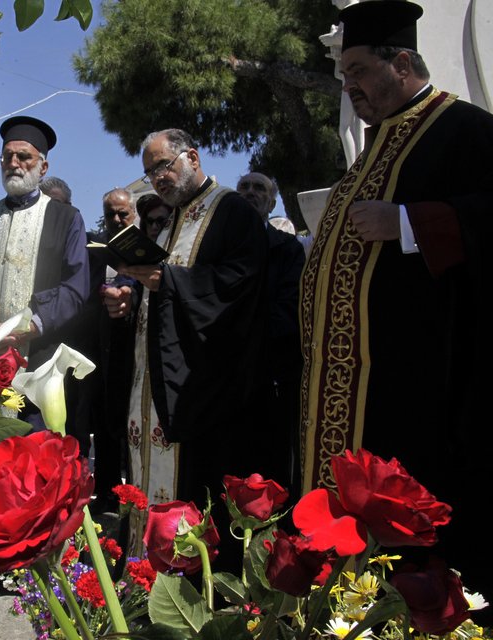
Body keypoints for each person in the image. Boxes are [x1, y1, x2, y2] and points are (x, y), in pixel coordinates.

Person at [300, 0, 493, 598]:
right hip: (343, 393)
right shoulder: (373, 148)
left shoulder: (467, 130)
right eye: (344, 74)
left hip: (421, 390)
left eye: (357, 70)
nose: (348, 85)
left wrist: (411, 222)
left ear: (402, 61)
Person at [105, 129, 269, 542]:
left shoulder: (231, 211)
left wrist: (171, 281)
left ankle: (178, 582)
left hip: (199, 390)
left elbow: (239, 286)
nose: (158, 178)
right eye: (149, 172)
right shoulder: (167, 219)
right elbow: (157, 287)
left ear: (192, 157)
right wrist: (128, 299)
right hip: (151, 383)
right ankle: (141, 575)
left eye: (163, 166)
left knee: (191, 493)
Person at [0, 115, 89, 373]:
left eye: (23, 157)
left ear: (43, 167)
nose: (13, 163)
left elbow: (75, 288)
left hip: (37, 359)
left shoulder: (66, 219)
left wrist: (30, 327)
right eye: (6, 157)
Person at [237, 172, 305, 493]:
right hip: (225, 381)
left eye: (259, 188)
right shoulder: (214, 247)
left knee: (269, 473)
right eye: (244, 187)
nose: (250, 193)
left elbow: (289, 309)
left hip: (270, 378)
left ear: (272, 202)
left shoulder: (287, 249)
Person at [79, 188, 139, 512]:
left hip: (132, 358)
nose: (116, 220)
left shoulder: (144, 250)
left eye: (123, 214)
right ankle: (106, 497)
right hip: (99, 358)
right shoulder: (94, 250)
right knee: (102, 431)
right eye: (110, 214)